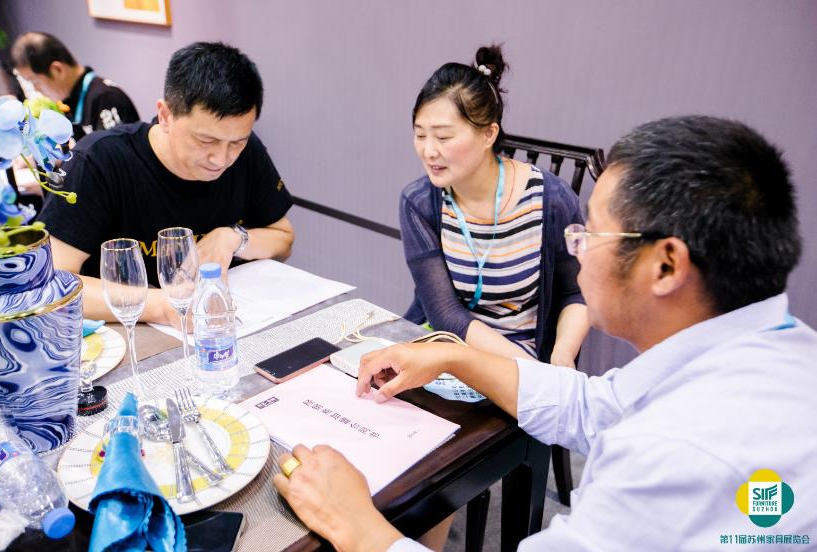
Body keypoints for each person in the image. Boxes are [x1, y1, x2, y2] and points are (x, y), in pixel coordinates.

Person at [272, 116, 817, 550]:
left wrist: (359, 528)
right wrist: (456, 359)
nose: (577, 248)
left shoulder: (670, 459)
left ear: (666, 265)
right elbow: (597, 405)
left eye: (592, 233)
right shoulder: (775, 349)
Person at [36, 42, 294, 328]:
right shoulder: (99, 161)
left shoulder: (247, 153)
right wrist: (161, 305)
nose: (221, 159)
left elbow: (283, 239)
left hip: (224, 326)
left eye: (236, 142)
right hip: (128, 332)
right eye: (206, 140)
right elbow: (51, 283)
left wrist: (233, 238)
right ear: (165, 116)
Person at [401, 45, 589, 367]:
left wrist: (560, 355)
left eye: (443, 138)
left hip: (525, 356)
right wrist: (533, 370)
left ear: (488, 134)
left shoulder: (552, 200)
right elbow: (445, 314)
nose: (429, 151)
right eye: (420, 135)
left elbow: (576, 291)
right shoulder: (420, 203)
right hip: (448, 351)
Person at [11, 32, 138, 141]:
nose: (36, 90)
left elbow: (116, 157)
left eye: (35, 82)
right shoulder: (70, 100)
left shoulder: (106, 98)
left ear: (57, 70)